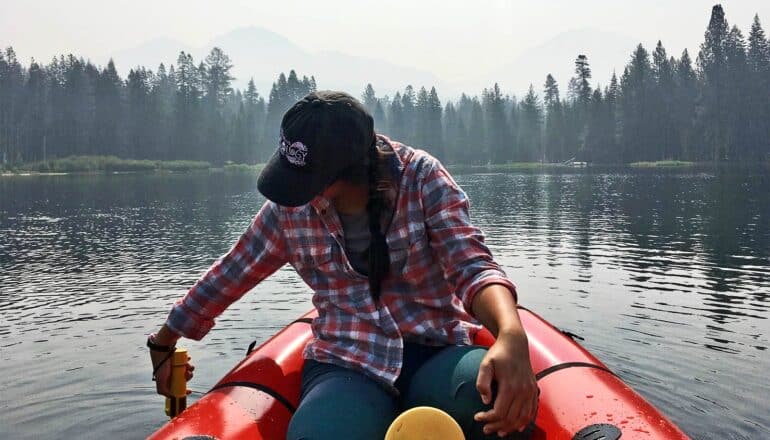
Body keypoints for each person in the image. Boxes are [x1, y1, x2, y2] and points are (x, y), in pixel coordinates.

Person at [147, 91, 538, 439]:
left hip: (435, 349)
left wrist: (510, 333)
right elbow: (231, 274)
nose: (293, 193)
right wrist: (163, 341)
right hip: (345, 363)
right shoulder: (289, 211)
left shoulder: (421, 178)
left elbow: (472, 266)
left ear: (345, 173)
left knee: (502, 408)